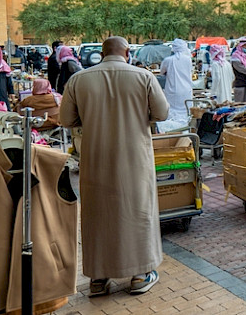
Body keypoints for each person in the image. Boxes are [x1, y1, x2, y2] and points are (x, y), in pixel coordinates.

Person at [59, 36, 169, 297]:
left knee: (99, 215)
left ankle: (99, 277)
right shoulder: (143, 77)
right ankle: (140, 274)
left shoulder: (79, 79)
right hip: (134, 159)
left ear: (102, 52)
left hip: (95, 159)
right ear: (127, 52)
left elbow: (65, 119)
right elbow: (162, 113)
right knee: (137, 213)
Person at [160, 39, 194, 122]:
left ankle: (174, 132)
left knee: (173, 117)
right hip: (186, 90)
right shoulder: (188, 59)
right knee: (186, 114)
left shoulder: (168, 60)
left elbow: (162, 72)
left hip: (173, 90)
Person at [231, 38, 246, 103]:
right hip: (240, 84)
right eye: (244, 45)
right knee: (240, 104)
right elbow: (242, 69)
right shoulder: (235, 56)